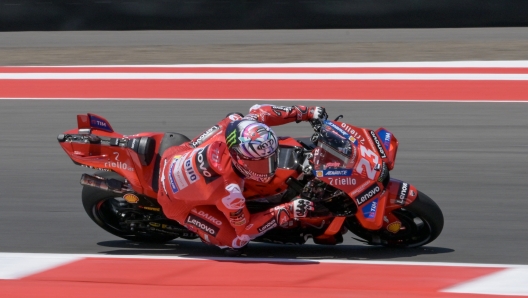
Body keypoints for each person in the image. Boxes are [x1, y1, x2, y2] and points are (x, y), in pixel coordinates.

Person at [157, 104, 326, 255]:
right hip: (176, 201)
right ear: (240, 159)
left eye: (271, 157)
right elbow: (245, 229)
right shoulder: (231, 192)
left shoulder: (237, 127)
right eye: (261, 163)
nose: (270, 166)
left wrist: (307, 112)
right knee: (237, 242)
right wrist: (289, 210)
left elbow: (262, 112)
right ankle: (207, 235)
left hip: (177, 153)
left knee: (233, 116)